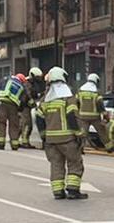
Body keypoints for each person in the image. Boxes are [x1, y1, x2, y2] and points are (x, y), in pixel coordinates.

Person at [37, 66, 87, 199]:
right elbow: (71, 116)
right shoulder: (67, 99)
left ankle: (58, 192)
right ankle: (73, 190)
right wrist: (78, 133)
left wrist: (44, 137)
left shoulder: (44, 101)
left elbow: (39, 119)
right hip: (67, 139)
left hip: (51, 142)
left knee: (56, 165)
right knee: (75, 163)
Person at [0, 69, 27, 150]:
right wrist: (19, 111)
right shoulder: (22, 87)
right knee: (14, 125)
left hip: (2, 104)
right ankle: (14, 144)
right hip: (14, 106)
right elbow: (23, 101)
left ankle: (0, 143)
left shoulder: (6, 80)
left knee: (1, 123)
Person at [75, 73, 105, 149]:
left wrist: (77, 112)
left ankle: (80, 148)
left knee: (83, 133)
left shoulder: (80, 90)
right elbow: (100, 103)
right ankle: (109, 146)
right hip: (95, 117)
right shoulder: (96, 92)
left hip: (82, 116)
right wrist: (103, 112)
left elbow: (76, 102)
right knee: (102, 131)